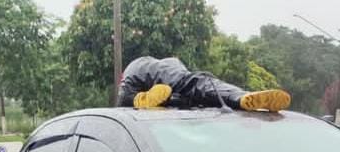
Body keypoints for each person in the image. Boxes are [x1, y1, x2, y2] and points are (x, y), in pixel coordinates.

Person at [117, 56, 291, 112]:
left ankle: (239, 98)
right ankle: (239, 97)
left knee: (192, 91)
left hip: (138, 89)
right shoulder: (157, 65)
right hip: (140, 81)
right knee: (193, 86)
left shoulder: (162, 68)